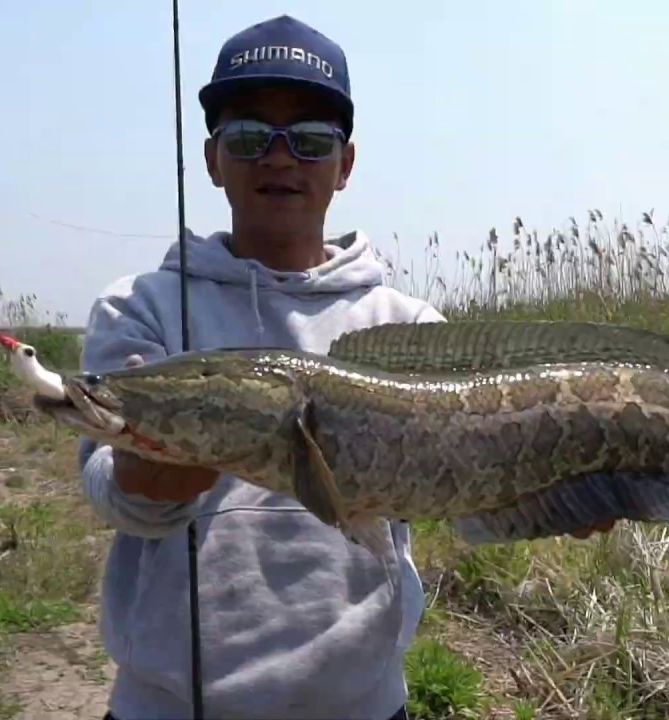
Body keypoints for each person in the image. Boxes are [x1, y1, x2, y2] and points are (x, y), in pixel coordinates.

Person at [77, 15, 442, 720]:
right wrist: (149, 471)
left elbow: (462, 493)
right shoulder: (141, 307)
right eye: (249, 138)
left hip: (361, 704)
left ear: (346, 163)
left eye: (309, 141)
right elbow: (109, 490)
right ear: (213, 160)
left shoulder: (406, 327)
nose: (280, 160)